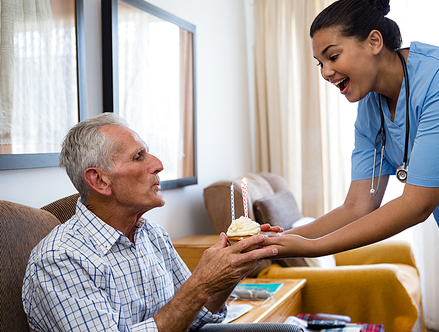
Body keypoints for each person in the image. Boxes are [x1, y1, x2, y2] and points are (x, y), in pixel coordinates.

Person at [260, 0, 439, 331]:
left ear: (374, 42)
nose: (326, 72)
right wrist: (278, 241)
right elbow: (358, 205)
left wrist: (310, 246)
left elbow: (416, 205)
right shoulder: (370, 108)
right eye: (320, 63)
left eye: (332, 56)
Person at [22, 113, 279, 331]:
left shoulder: (153, 234)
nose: (158, 164)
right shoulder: (60, 259)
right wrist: (200, 283)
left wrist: (231, 270)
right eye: (138, 156)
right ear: (100, 181)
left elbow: (195, 316)